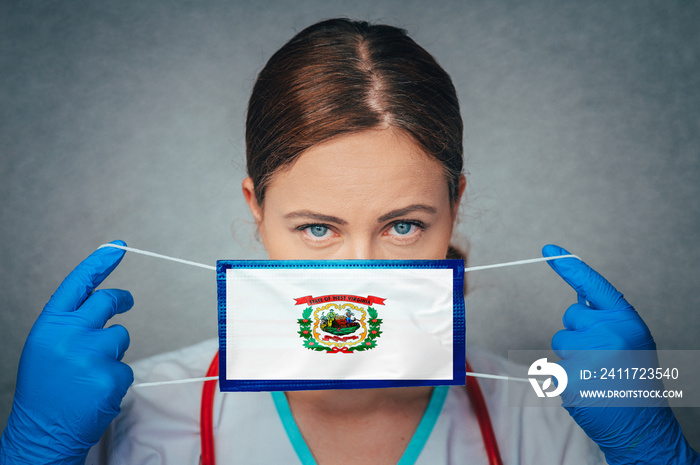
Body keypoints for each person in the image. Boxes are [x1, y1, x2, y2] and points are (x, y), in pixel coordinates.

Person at [1, 18, 697, 465]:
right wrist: (35, 456)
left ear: (453, 209)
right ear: (257, 209)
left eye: (403, 225)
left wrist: (654, 453)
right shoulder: (131, 416)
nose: (359, 275)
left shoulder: (557, 421)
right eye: (316, 228)